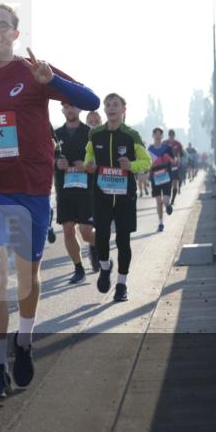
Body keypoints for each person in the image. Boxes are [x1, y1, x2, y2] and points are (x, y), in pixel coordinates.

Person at [0, 3, 99, 398]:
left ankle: (25, 339)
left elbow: (90, 100)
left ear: (15, 34)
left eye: (2, 26)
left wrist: (54, 81)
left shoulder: (33, 71)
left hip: (32, 189)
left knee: (28, 276)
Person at [83, 94, 150, 301]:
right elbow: (89, 158)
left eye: (115, 105)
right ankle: (104, 267)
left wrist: (131, 166)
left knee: (123, 240)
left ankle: (121, 284)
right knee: (101, 237)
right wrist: (89, 166)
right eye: (108, 105)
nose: (111, 108)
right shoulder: (95, 135)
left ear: (123, 110)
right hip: (102, 195)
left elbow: (146, 162)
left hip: (125, 197)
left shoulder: (131, 135)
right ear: (105, 110)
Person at [53, 103, 98, 284]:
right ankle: (78, 268)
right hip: (64, 190)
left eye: (73, 107)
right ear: (63, 110)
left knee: (86, 231)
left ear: (80, 110)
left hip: (87, 190)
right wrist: (56, 163)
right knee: (68, 229)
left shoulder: (91, 133)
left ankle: (96, 247)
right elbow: (46, 156)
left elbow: (100, 159)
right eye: (66, 107)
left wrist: (88, 166)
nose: (70, 110)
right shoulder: (56, 134)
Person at [147, 128, 176, 232]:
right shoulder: (150, 149)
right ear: (153, 135)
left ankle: (168, 205)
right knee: (158, 201)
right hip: (155, 178)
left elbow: (174, 162)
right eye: (156, 134)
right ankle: (160, 223)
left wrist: (168, 158)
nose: (158, 136)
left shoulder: (167, 148)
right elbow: (147, 164)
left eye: (160, 134)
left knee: (165, 201)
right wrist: (148, 174)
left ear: (162, 136)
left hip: (166, 177)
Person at [166, 129, 184, 206]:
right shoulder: (165, 143)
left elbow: (182, 153)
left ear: (174, 136)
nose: (171, 137)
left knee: (175, 184)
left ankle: (173, 200)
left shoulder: (178, 144)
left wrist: (179, 157)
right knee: (168, 185)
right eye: (170, 135)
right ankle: (168, 198)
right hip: (166, 167)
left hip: (175, 167)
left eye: (172, 136)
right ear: (168, 136)